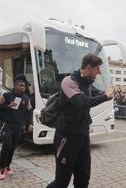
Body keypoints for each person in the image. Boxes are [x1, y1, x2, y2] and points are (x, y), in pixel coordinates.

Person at [46, 53, 114, 188]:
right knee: (61, 182)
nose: (99, 72)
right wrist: (106, 96)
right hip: (67, 137)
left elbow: (88, 100)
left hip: (83, 137)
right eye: (97, 69)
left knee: (83, 179)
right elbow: (82, 102)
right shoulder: (69, 81)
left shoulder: (86, 83)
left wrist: (106, 94)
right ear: (89, 67)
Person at [0, 75, 33, 180]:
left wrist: (30, 123)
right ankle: (2, 170)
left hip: (18, 127)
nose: (22, 87)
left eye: (24, 86)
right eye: (20, 85)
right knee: (7, 146)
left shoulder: (26, 98)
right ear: (15, 85)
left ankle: (8, 166)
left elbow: (29, 111)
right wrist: (7, 106)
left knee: (13, 147)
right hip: (7, 125)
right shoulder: (7, 96)